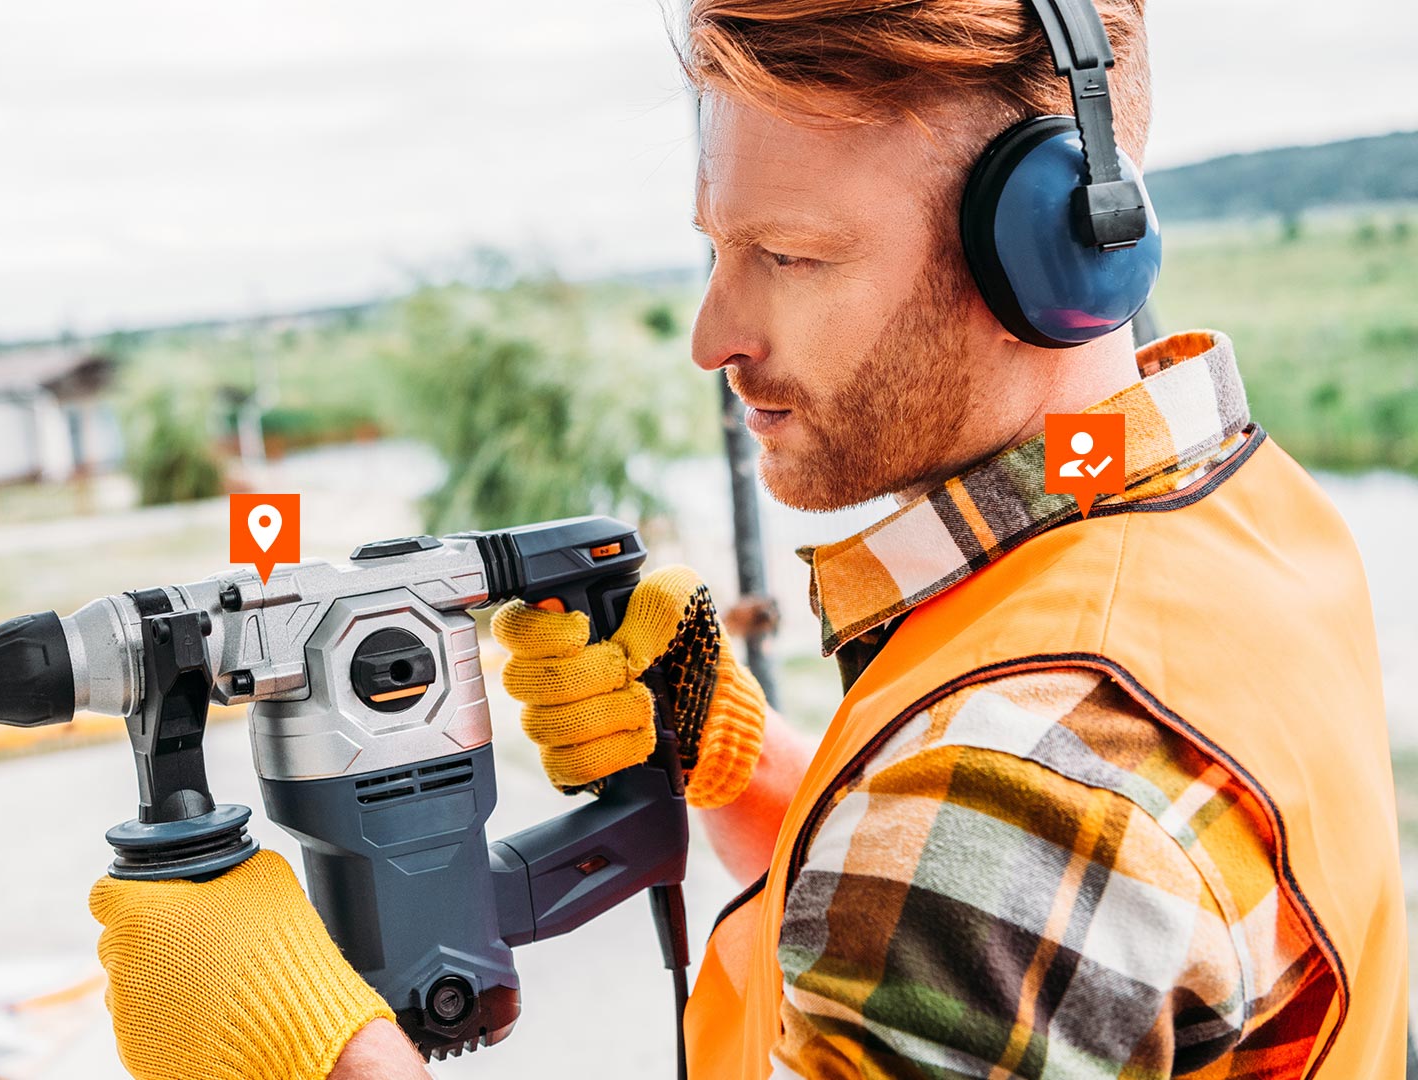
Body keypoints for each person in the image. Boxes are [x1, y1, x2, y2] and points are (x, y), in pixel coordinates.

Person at [86, 0, 1407, 1076]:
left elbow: (990, 849)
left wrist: (316, 1061)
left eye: (791, 255)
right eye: (720, 248)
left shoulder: (996, 799)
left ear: (1064, 258)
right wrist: (755, 766)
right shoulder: (1230, 510)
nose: (716, 336)